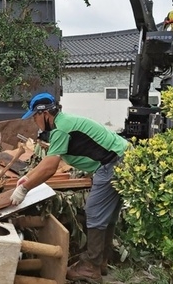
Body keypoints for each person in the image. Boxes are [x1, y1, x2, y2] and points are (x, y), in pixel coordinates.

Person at [10, 92, 130, 283]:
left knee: (95, 212)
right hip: (121, 159)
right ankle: (101, 262)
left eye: (34, 116)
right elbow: (49, 160)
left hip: (112, 164)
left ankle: (91, 267)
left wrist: (24, 190)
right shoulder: (64, 123)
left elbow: (50, 167)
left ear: (45, 114)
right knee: (106, 215)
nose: (34, 121)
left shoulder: (61, 129)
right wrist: (27, 178)